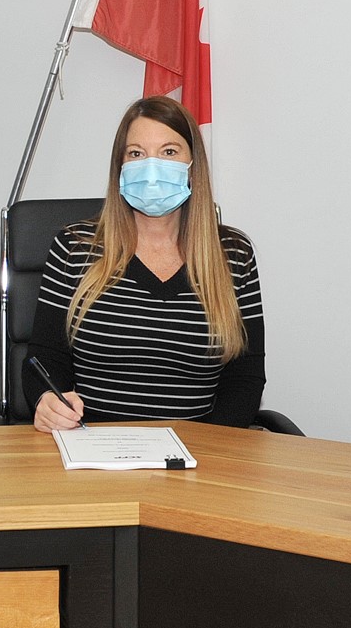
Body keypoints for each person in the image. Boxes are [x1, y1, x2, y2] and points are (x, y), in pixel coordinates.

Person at [27, 96, 265, 430]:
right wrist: (48, 401)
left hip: (196, 450)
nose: (152, 167)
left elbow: (245, 377)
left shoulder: (234, 255)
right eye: (137, 153)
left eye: (169, 151)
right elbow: (45, 357)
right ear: (120, 168)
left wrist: (208, 447)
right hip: (90, 445)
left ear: (193, 166)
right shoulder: (74, 247)